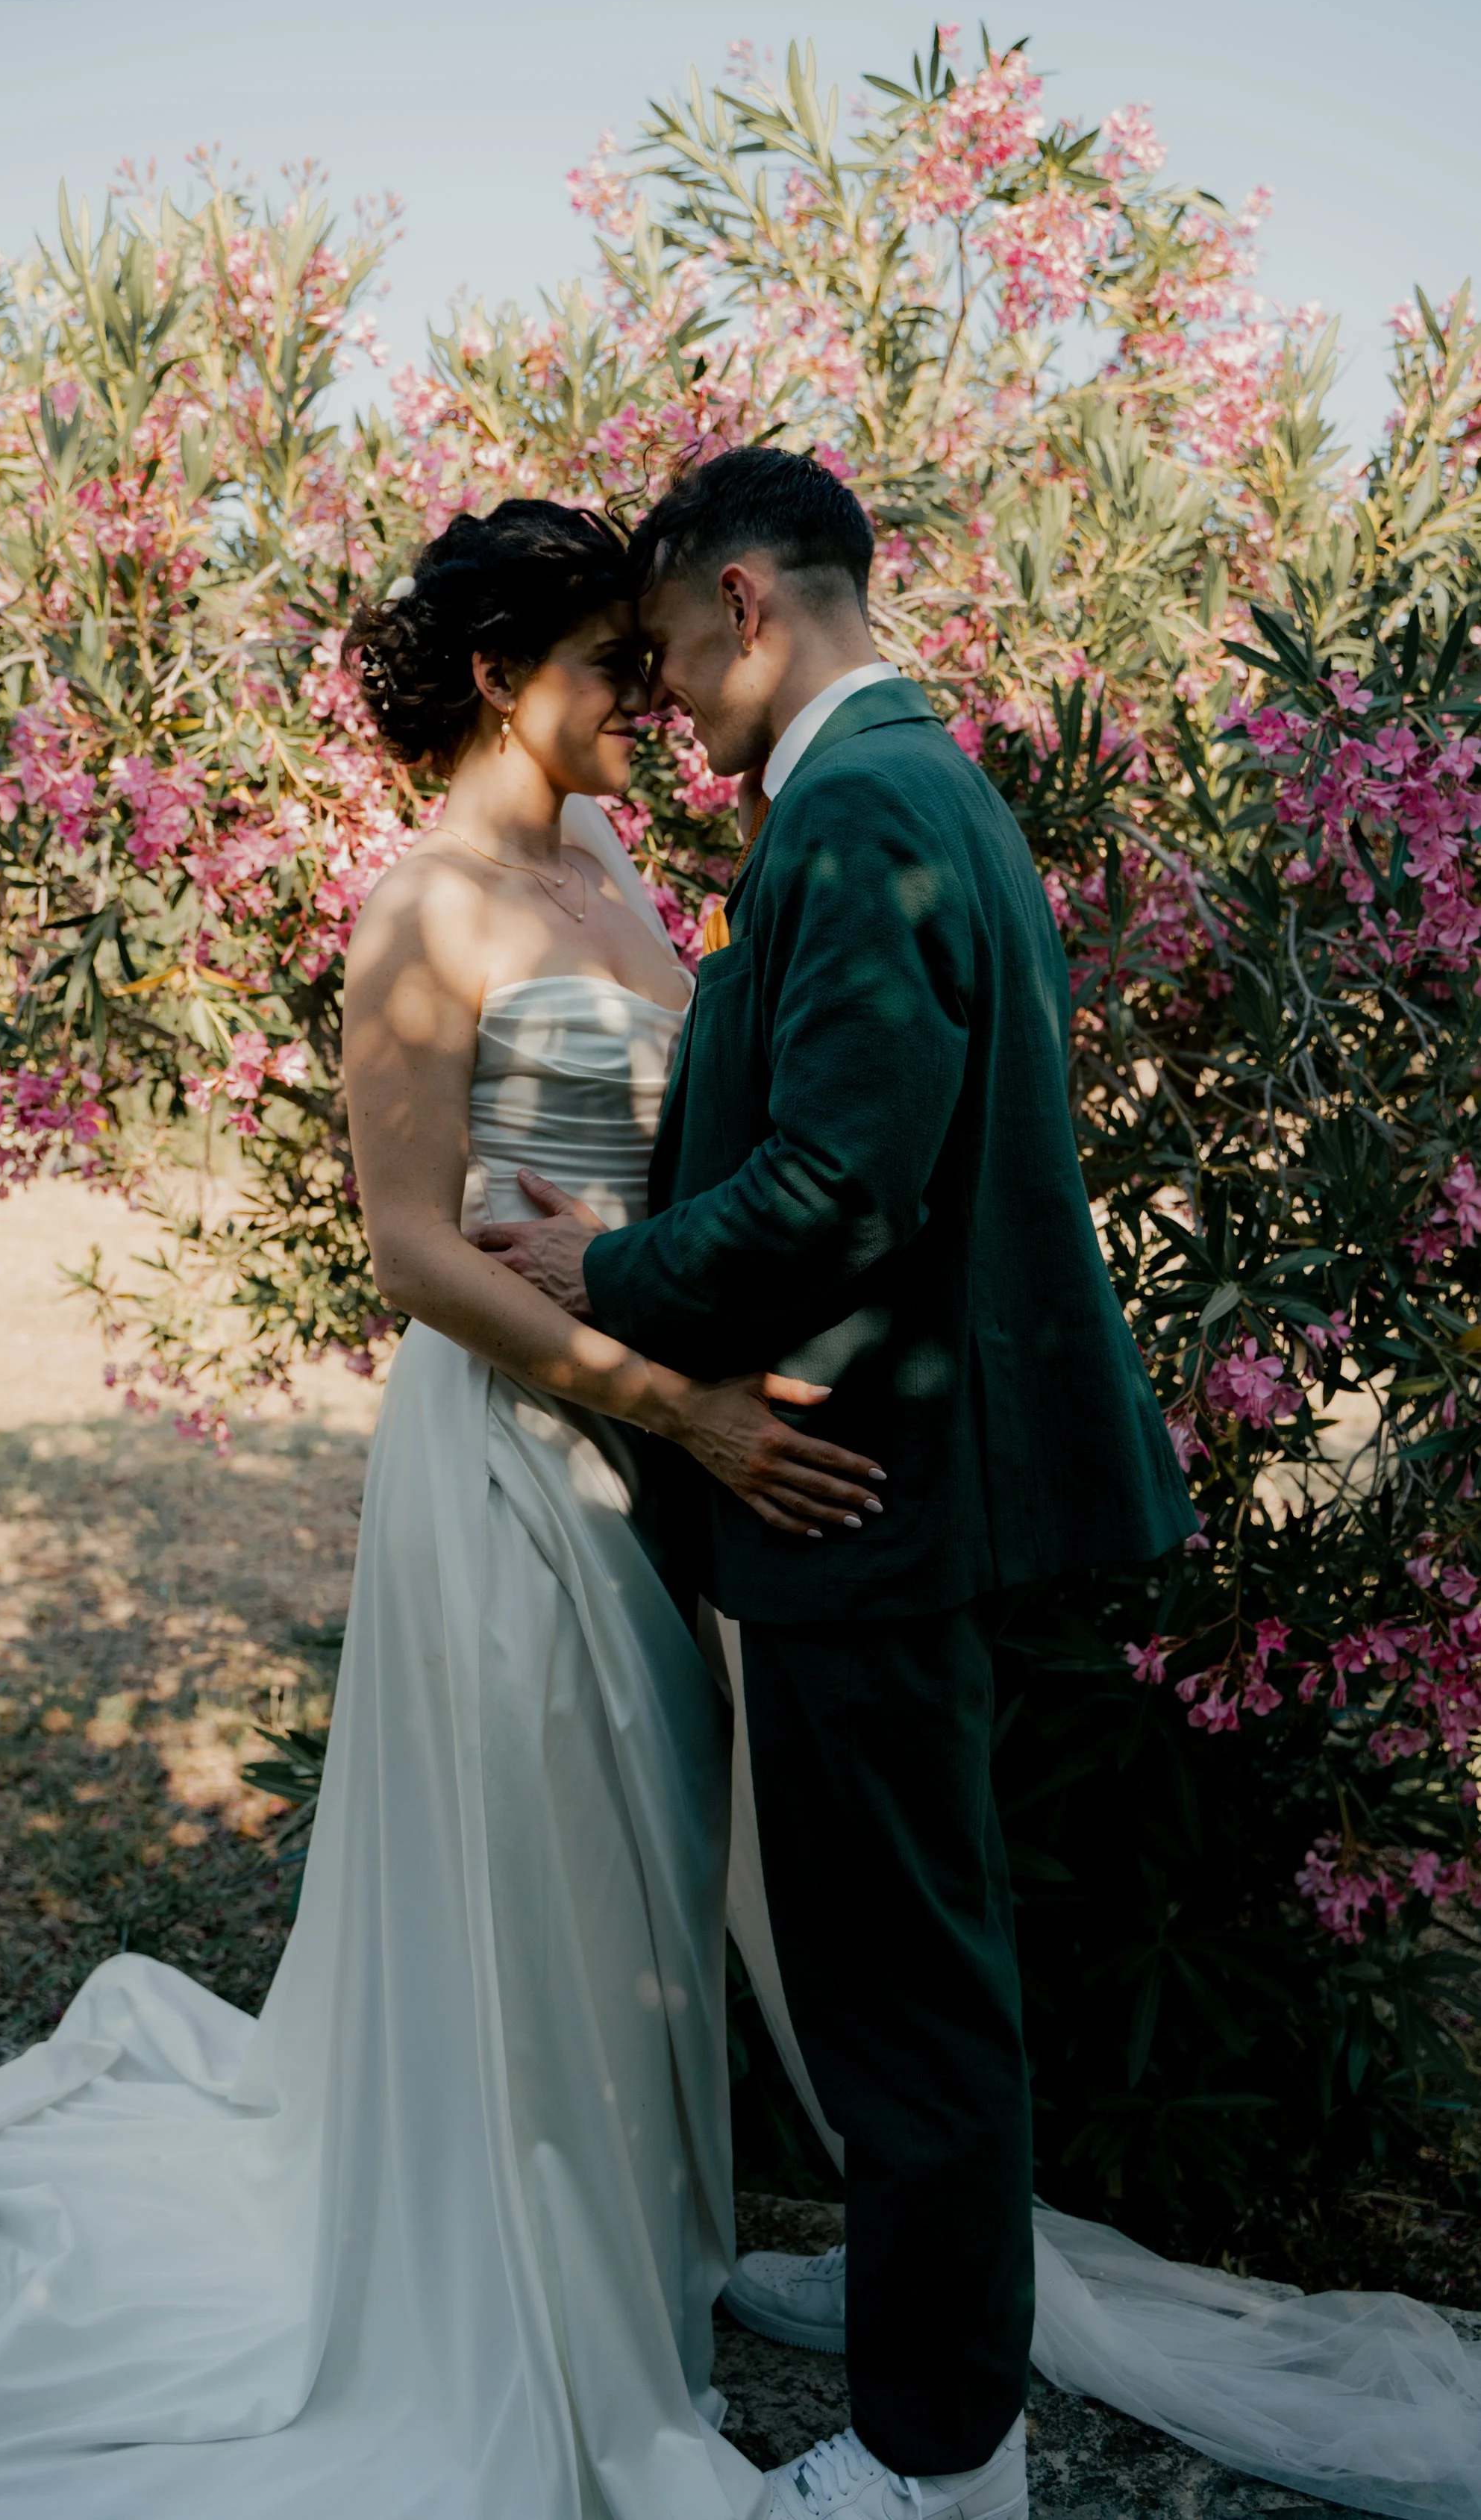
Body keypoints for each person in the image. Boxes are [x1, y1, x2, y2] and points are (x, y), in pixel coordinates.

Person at [0, 498, 881, 2520]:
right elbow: (409, 1250)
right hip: (520, 1467)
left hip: (668, 1452)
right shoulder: (429, 913)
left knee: (643, 1879)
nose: (643, 704)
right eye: (603, 669)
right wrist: (682, 1403)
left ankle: (637, 2252)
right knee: (552, 1868)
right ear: (496, 677)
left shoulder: (608, 862)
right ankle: (518, 2303)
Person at [475, 446, 1194, 2520]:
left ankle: (936, 2456)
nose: (672, 708)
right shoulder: (922, 783)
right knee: (897, 1949)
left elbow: (836, 1180)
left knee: (905, 1983)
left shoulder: (861, 806)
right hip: (887, 1466)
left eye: (672, 653)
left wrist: (597, 1264)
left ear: (741, 603)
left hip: (858, 1486)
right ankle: (911, 2293)